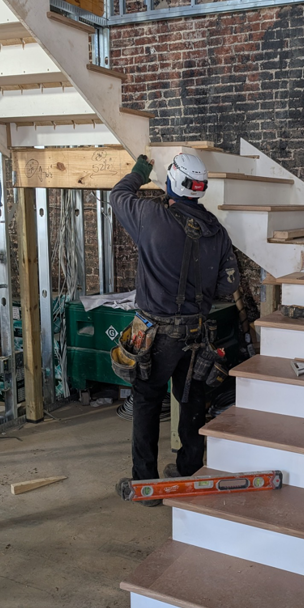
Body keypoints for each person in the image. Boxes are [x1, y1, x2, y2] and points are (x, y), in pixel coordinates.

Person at [110, 152, 240, 505]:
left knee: (148, 402)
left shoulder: (150, 215)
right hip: (198, 333)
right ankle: (189, 473)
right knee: (193, 399)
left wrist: (139, 171)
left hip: (156, 335)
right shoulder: (217, 231)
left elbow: (117, 195)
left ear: (173, 181)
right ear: (199, 189)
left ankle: (147, 486)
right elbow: (229, 287)